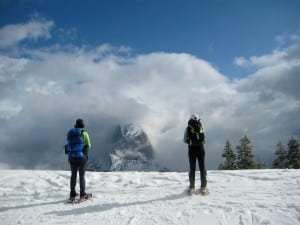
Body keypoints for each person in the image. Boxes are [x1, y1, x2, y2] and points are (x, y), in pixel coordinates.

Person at [66, 118, 91, 201]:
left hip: (72, 157)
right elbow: (88, 145)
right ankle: (82, 194)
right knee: (81, 175)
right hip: (81, 157)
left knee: (73, 175)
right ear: (83, 126)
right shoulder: (84, 133)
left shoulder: (70, 133)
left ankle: (72, 194)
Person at [184, 113, 208, 194]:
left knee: (192, 169)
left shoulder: (188, 128)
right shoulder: (201, 127)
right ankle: (203, 187)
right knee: (202, 168)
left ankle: (192, 187)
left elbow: (184, 140)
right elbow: (204, 140)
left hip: (192, 150)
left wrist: (190, 142)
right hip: (201, 149)